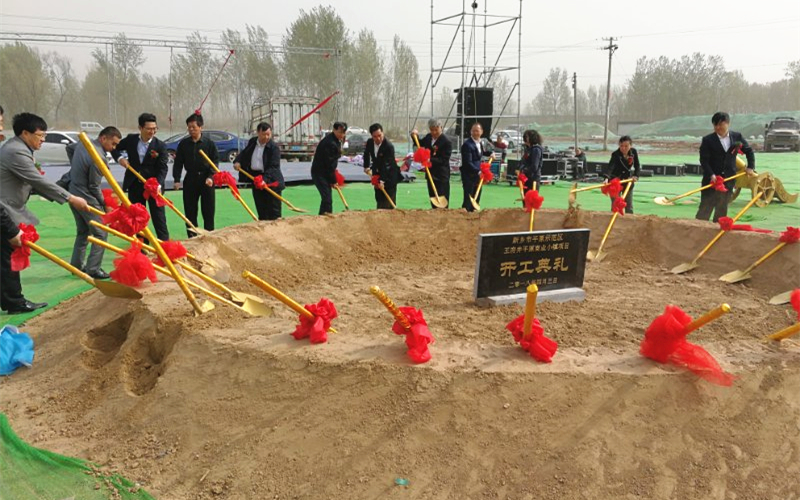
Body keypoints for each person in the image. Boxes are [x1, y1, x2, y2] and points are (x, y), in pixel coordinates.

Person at [0, 111, 89, 314]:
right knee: (7, 257)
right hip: (4, 210)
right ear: (25, 133)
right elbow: (37, 180)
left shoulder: (19, 148)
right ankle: (15, 301)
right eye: (40, 135)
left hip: (9, 208)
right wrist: (70, 198)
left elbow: (33, 182)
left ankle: (12, 300)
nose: (43, 140)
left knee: (6, 256)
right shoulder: (15, 151)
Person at [68, 126, 122, 279]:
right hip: (86, 198)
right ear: (103, 138)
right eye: (113, 144)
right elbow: (93, 186)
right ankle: (93, 268)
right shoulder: (98, 157)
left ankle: (76, 266)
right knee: (100, 233)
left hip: (73, 193)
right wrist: (104, 203)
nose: (114, 148)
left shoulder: (83, 143)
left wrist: (76, 170)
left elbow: (69, 148)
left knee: (83, 231)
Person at [112, 113, 170, 240]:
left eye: (154, 128)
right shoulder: (131, 140)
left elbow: (163, 168)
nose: (152, 131)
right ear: (140, 128)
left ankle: (164, 245)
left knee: (159, 218)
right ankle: (142, 246)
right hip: (135, 184)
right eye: (149, 129)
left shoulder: (160, 146)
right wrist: (120, 158)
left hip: (153, 187)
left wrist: (158, 184)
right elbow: (113, 147)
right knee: (137, 218)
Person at [696, 112, 755, 222]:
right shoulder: (708, 140)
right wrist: (711, 174)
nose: (718, 127)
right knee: (706, 207)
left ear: (727, 123)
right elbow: (704, 161)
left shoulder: (737, 137)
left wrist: (750, 167)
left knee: (722, 208)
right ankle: (699, 228)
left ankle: (718, 228)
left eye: (720, 124)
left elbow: (749, 151)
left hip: (729, 179)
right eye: (715, 125)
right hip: (711, 180)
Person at [172, 113, 218, 236]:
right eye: (189, 127)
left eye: (194, 127)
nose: (191, 129)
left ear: (200, 127)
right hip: (190, 179)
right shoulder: (183, 144)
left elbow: (215, 162)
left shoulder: (209, 144)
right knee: (190, 211)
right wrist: (177, 179)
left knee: (208, 211)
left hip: (206, 180)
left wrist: (211, 177)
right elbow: (178, 163)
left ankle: (209, 236)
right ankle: (192, 237)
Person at [234, 122, 284, 221]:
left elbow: (274, 167)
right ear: (258, 133)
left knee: (274, 213)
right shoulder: (253, 142)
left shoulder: (274, 148)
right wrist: (237, 161)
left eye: (268, 134)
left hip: (271, 181)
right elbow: (244, 153)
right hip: (256, 179)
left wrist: (264, 180)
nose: (266, 137)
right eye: (264, 134)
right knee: (262, 211)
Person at [412, 118, 453, 209]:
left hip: (441, 175)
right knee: (433, 198)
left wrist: (429, 159)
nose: (434, 132)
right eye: (432, 130)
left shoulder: (446, 142)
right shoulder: (428, 137)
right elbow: (419, 143)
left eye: (436, 130)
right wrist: (414, 135)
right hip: (430, 173)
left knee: (442, 199)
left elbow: (444, 160)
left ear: (441, 128)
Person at [310, 121, 347, 215]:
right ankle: (324, 218)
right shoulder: (330, 143)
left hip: (326, 172)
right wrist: (333, 181)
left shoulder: (337, 140)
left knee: (327, 198)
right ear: (334, 130)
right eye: (340, 132)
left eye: (343, 132)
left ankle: (324, 216)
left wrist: (332, 178)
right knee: (327, 198)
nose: (342, 135)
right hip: (319, 173)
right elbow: (329, 164)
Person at [363, 123, 401, 210]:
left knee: (388, 202)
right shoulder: (370, 142)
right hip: (377, 173)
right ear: (372, 136)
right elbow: (366, 154)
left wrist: (382, 181)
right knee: (379, 199)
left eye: (380, 135)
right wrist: (366, 166)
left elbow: (387, 165)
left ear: (383, 133)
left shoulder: (388, 146)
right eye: (375, 136)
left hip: (389, 175)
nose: (378, 138)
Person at [460, 123, 494, 212]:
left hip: (478, 175)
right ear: (471, 132)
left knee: (477, 195)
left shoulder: (480, 142)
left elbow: (481, 153)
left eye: (477, 131)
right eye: (473, 131)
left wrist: (490, 153)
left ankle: (474, 214)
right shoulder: (467, 145)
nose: (475, 133)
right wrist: (478, 172)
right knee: (469, 197)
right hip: (469, 175)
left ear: (481, 132)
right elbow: (468, 162)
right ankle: (465, 214)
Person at [604, 135, 640, 214]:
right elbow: (610, 167)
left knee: (628, 205)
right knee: (616, 205)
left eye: (626, 146)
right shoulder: (615, 154)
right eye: (621, 146)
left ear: (630, 145)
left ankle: (629, 220)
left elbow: (637, 165)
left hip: (627, 181)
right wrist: (606, 178)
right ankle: (614, 219)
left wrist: (636, 175)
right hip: (615, 182)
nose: (623, 148)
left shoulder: (633, 152)